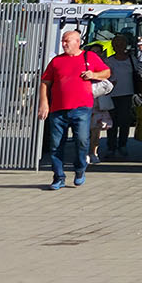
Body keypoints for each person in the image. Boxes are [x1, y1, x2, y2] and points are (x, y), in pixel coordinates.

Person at [39, 29, 109, 190]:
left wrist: (94, 75)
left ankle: (80, 169)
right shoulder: (56, 61)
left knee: (82, 140)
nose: (63, 44)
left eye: (67, 41)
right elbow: (45, 82)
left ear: (77, 42)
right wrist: (44, 103)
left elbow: (106, 72)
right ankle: (58, 177)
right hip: (58, 109)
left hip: (82, 108)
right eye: (63, 41)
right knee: (56, 144)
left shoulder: (89, 57)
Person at [103, 34, 136, 158]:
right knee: (112, 123)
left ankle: (123, 145)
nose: (119, 46)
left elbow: (139, 75)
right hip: (112, 95)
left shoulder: (132, 60)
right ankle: (111, 146)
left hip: (127, 95)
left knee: (125, 122)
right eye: (116, 44)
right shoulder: (108, 61)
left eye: (121, 44)